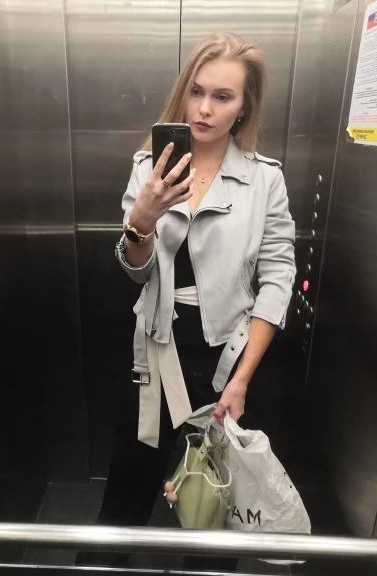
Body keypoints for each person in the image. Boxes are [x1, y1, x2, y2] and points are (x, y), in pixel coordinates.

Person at [84, 31, 296, 571]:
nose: (203, 108)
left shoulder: (264, 181)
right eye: (196, 91)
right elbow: (135, 271)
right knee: (127, 486)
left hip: (230, 355)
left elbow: (277, 279)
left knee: (216, 497)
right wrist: (141, 222)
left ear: (244, 106)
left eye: (222, 97)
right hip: (156, 352)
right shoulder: (149, 168)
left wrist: (242, 378)